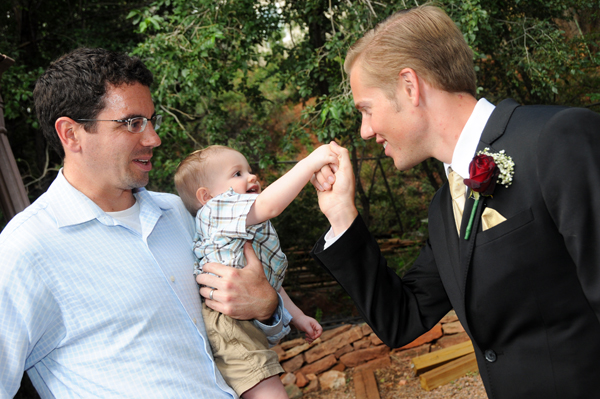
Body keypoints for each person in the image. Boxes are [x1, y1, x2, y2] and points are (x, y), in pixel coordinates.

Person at [310, 5, 600, 399]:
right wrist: (342, 217)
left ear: (410, 86)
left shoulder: (556, 138)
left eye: (366, 109)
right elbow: (402, 318)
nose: (365, 131)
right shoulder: (443, 208)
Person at [0, 48, 290, 398]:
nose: (154, 139)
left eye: (152, 120)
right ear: (71, 134)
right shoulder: (25, 249)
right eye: (132, 123)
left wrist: (267, 307)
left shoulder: (181, 215)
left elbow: (250, 331)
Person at [174, 144, 332, 398]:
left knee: (265, 383)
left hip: (243, 316)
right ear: (206, 197)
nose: (251, 176)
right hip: (229, 321)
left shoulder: (243, 226)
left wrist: (298, 316)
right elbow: (270, 205)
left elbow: (269, 285)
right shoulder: (216, 211)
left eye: (249, 170)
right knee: (268, 389)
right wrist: (310, 163)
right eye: (237, 174)